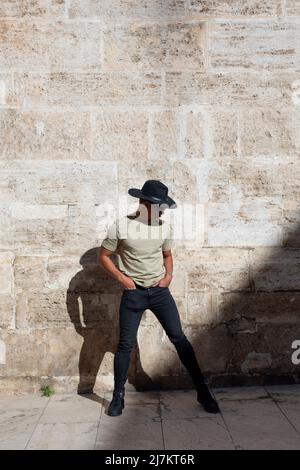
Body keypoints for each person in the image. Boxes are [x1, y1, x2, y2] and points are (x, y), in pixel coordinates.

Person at [99, 180, 220, 416]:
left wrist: (169, 276)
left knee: (180, 339)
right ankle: (118, 397)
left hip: (159, 293)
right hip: (133, 294)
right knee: (125, 345)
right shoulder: (121, 226)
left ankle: (203, 392)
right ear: (144, 203)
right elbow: (103, 256)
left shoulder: (164, 228)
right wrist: (122, 278)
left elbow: (167, 255)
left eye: (162, 206)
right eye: (156, 205)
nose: (160, 210)